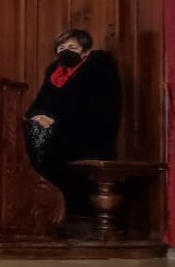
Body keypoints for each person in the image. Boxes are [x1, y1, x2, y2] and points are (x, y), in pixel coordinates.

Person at [23, 28, 121, 210]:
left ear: (85, 52)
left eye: (72, 47)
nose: (65, 51)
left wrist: (55, 121)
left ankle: (52, 206)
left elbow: (96, 108)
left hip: (87, 132)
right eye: (61, 48)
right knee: (28, 134)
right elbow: (40, 103)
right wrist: (37, 117)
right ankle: (41, 203)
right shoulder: (55, 72)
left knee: (45, 145)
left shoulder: (97, 67)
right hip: (56, 130)